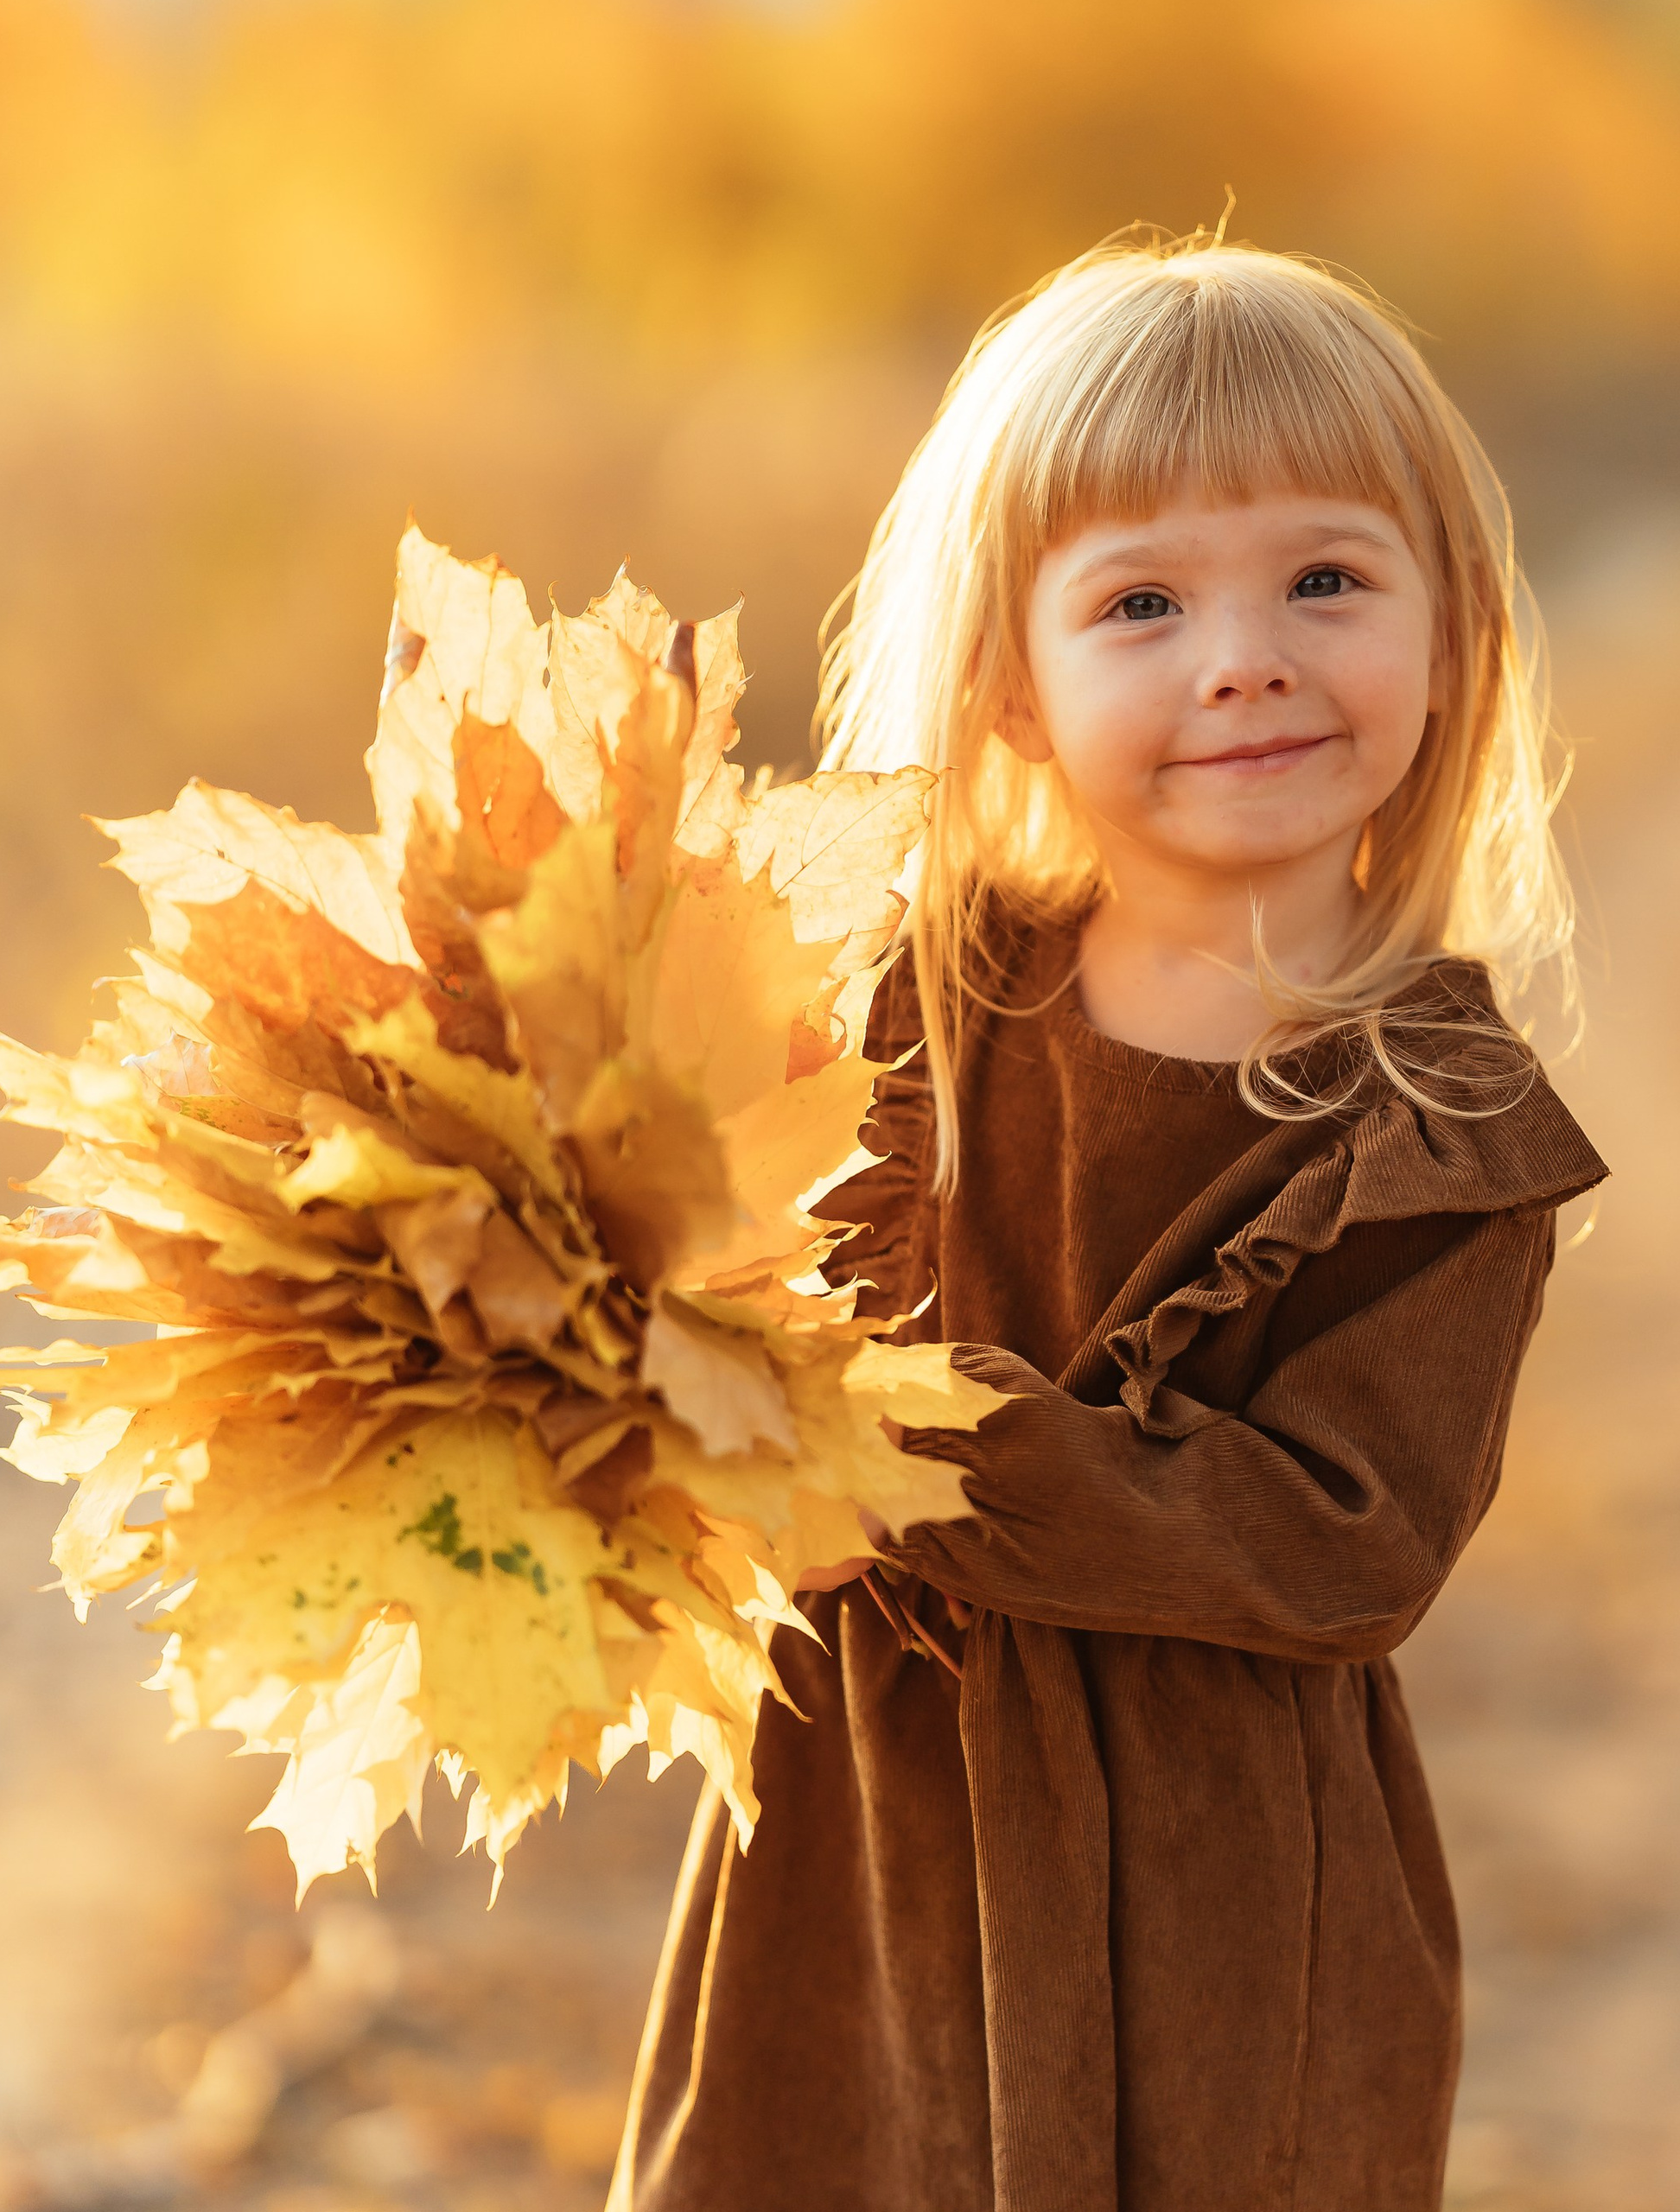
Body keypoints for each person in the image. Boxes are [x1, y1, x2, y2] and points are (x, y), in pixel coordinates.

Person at [610, 230, 1607, 2212]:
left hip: (1220, 1884)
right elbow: (710, 1325)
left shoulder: (1440, 1112)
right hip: (868, 1843)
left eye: (1323, 578)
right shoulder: (895, 1007)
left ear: (1453, 630)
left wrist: (911, 1438)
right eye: (1139, 600)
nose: (1241, 653)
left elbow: (1343, 1545)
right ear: (1010, 683)